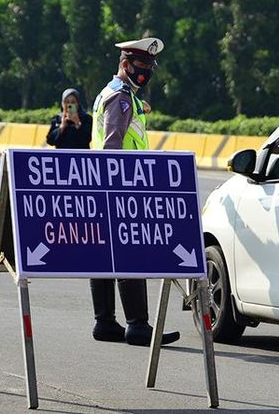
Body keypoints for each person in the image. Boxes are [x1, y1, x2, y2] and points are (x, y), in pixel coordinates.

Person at [89, 37, 180, 346]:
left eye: (149, 68)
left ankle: (105, 322)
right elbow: (113, 145)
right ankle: (138, 325)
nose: (146, 73)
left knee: (104, 254)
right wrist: (121, 186)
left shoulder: (113, 93)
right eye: (140, 67)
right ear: (125, 65)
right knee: (131, 251)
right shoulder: (121, 98)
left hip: (105, 185)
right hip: (121, 185)